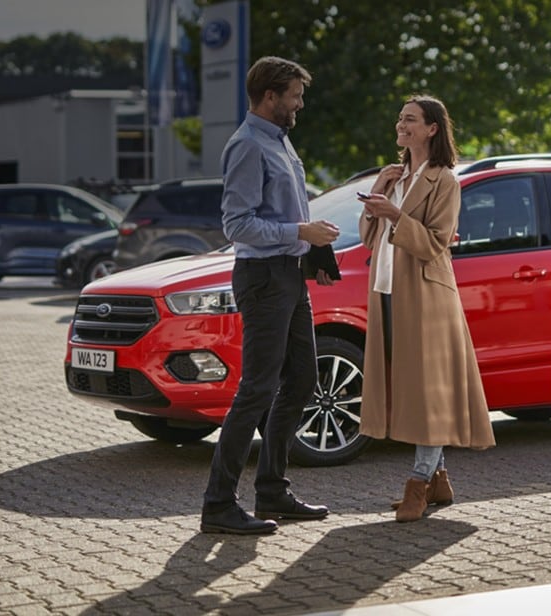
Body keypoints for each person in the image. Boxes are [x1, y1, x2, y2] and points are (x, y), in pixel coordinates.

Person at [200, 56, 341, 535]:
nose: (300, 102)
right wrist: (300, 230)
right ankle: (218, 504)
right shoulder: (246, 146)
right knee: (258, 388)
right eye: (295, 95)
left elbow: (290, 210)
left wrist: (313, 249)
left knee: (302, 378)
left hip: (288, 275)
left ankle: (272, 490)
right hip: (261, 278)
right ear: (270, 96)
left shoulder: (281, 141)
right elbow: (237, 225)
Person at [356, 95, 495, 523]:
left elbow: (436, 244)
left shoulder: (445, 181)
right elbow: (366, 237)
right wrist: (381, 191)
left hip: (427, 296)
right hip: (387, 292)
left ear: (432, 128)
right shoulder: (394, 176)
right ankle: (438, 480)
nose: (402, 124)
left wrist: (396, 214)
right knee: (408, 390)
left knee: (428, 391)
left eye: (410, 119)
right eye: (400, 118)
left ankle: (418, 484)